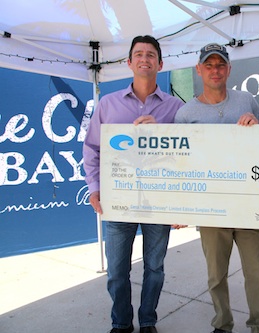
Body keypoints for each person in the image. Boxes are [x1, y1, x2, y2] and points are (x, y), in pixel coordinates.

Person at [83, 35, 184, 333]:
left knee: (154, 268)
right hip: (118, 200)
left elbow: (186, 155)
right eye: (138, 54)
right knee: (116, 271)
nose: (144, 59)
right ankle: (122, 323)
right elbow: (92, 149)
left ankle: (148, 321)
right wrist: (94, 186)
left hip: (159, 201)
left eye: (150, 55)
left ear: (160, 63)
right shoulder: (108, 104)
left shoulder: (175, 108)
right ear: (129, 63)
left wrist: (161, 135)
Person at [174, 43, 259, 333]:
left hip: (247, 205)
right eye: (209, 65)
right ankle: (222, 323)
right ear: (199, 70)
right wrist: (180, 206)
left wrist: (257, 124)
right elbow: (179, 165)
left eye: (220, 65)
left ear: (229, 69)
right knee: (216, 275)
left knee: (256, 273)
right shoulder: (186, 114)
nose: (215, 70)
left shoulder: (246, 100)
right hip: (211, 208)